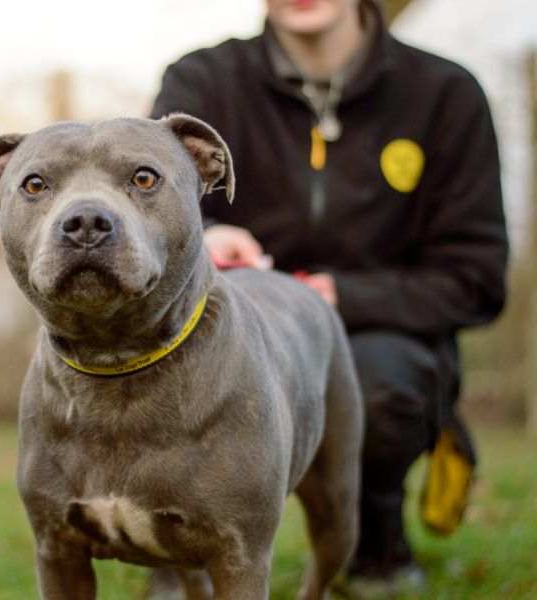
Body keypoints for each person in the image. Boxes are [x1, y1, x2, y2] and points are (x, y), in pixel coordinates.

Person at [150, 0, 508, 594]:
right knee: (167, 374)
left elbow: (475, 276)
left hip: (379, 338)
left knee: (378, 386)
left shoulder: (446, 94)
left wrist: (341, 296)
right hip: (229, 325)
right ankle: (174, 551)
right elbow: (153, 214)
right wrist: (210, 238)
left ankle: (375, 545)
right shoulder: (201, 80)